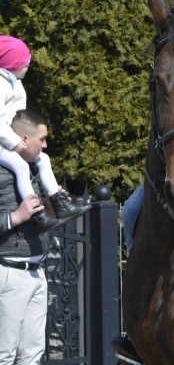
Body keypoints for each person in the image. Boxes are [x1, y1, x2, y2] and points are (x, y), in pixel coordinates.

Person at [0, 36, 88, 232]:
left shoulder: (15, 83)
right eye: (24, 63)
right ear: (12, 64)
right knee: (21, 166)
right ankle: (38, 215)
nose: (28, 66)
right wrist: (14, 141)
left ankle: (60, 203)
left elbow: (18, 118)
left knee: (44, 159)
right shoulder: (1, 84)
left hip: (8, 141)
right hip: (3, 142)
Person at [0, 110, 58, 364]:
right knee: (4, 353)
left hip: (37, 271)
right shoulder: (3, 171)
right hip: (10, 272)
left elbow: (45, 223)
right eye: (42, 139)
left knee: (32, 356)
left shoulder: (35, 171)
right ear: (24, 138)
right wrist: (16, 216)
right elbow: (19, 216)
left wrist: (53, 206)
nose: (45, 145)